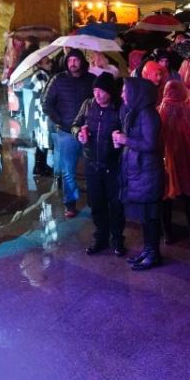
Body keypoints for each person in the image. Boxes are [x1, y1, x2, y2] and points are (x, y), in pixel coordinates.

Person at [72, 72, 125, 257]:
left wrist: (122, 139)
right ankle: (100, 238)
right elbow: (75, 124)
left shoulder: (120, 108)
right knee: (97, 203)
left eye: (102, 91)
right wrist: (79, 132)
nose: (98, 94)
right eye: (95, 90)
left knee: (116, 205)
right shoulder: (88, 105)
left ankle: (118, 239)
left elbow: (128, 132)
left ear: (110, 92)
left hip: (113, 164)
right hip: (91, 163)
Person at [115, 77, 165, 271]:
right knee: (145, 216)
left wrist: (126, 140)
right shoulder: (135, 112)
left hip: (148, 172)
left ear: (136, 93)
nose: (121, 95)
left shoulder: (147, 114)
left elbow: (150, 144)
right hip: (140, 171)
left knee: (151, 215)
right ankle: (148, 250)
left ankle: (153, 254)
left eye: (124, 91)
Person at [42, 49, 96, 218]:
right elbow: (46, 103)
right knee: (68, 170)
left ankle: (93, 200)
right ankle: (70, 203)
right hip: (66, 132)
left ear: (82, 61)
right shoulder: (58, 80)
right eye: (70, 60)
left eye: (76, 60)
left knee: (91, 168)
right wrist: (60, 120)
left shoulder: (91, 80)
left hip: (87, 131)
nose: (73, 63)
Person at [157, 80, 190, 246]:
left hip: (165, 160)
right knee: (188, 197)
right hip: (185, 161)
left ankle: (167, 234)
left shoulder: (159, 112)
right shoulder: (189, 112)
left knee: (165, 198)